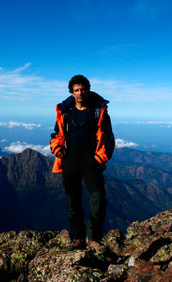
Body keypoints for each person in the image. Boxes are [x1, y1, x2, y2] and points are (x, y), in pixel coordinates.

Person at [50, 75, 115, 252]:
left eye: (83, 89)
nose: (80, 93)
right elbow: (56, 135)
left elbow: (109, 138)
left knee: (98, 199)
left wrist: (100, 158)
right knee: (73, 201)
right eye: (76, 90)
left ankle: (93, 238)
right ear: (72, 92)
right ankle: (78, 237)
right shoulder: (65, 111)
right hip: (70, 160)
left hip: (91, 162)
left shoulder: (98, 111)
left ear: (88, 89)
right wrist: (57, 149)